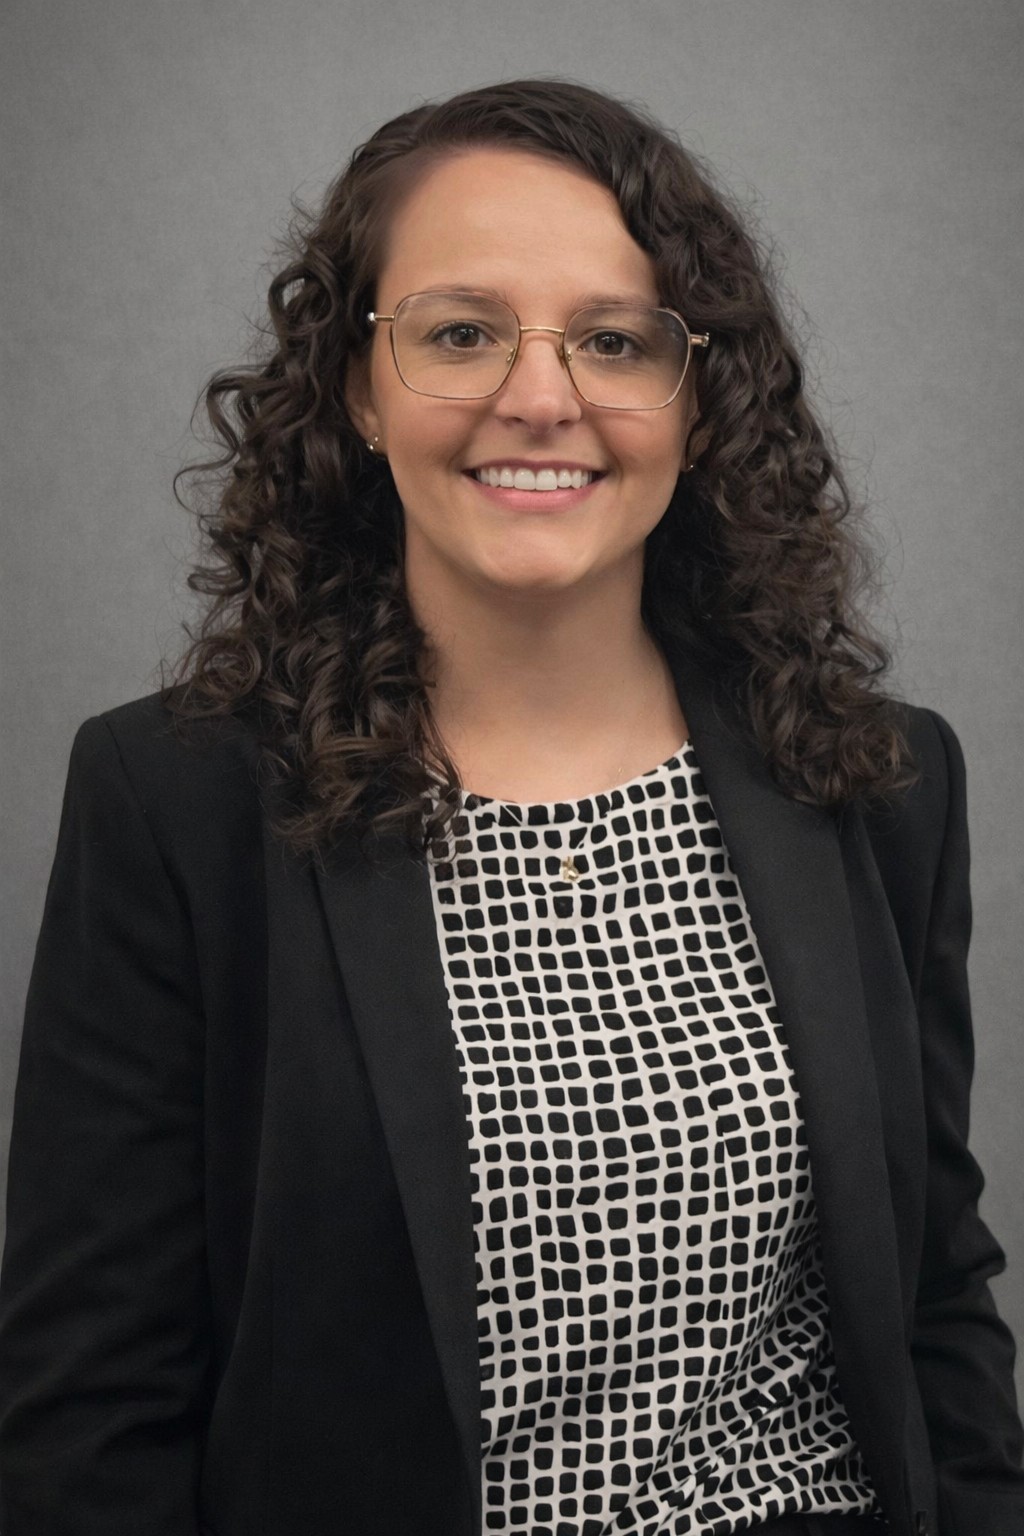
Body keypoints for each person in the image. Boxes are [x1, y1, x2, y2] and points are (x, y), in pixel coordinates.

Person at [0, 78, 1021, 1536]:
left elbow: (934, 1297)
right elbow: (91, 1401)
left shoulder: (876, 780)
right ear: (357, 385)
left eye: (614, 340)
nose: (540, 398)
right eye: (461, 332)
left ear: (696, 395)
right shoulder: (177, 805)